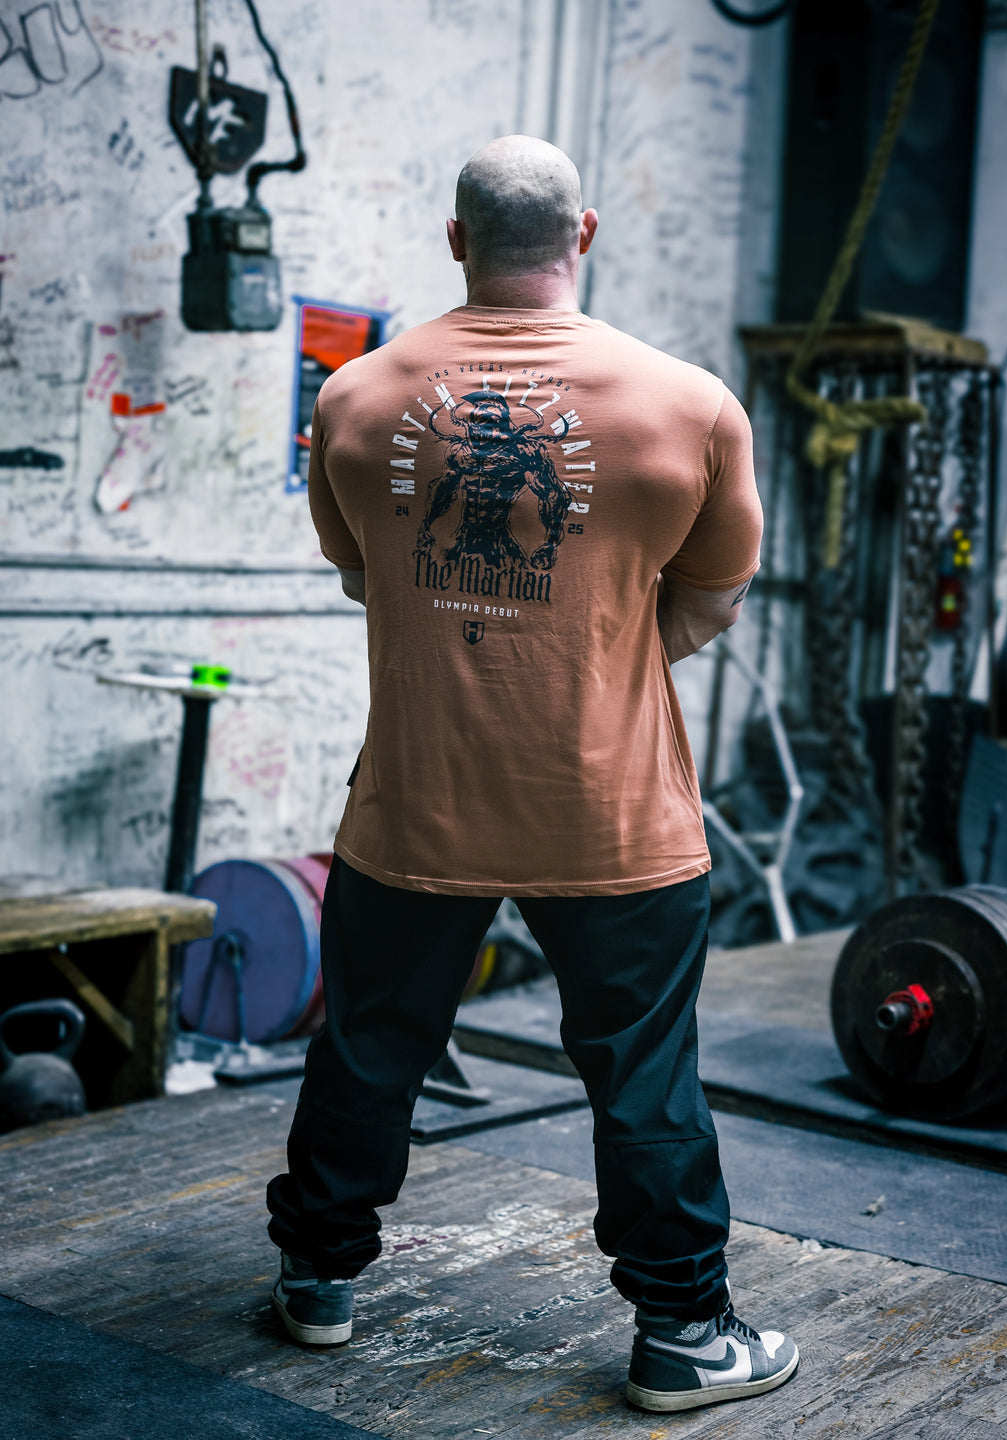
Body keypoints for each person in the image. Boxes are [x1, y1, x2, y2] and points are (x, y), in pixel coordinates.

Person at [266, 134, 798, 1414]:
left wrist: (483, 621)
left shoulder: (352, 399)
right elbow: (713, 599)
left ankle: (316, 1282)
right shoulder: (689, 404)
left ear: (457, 241)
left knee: (368, 1048)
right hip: (611, 814)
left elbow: (368, 579)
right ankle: (682, 1334)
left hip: (414, 804)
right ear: (586, 234)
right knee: (645, 1074)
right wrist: (594, 638)